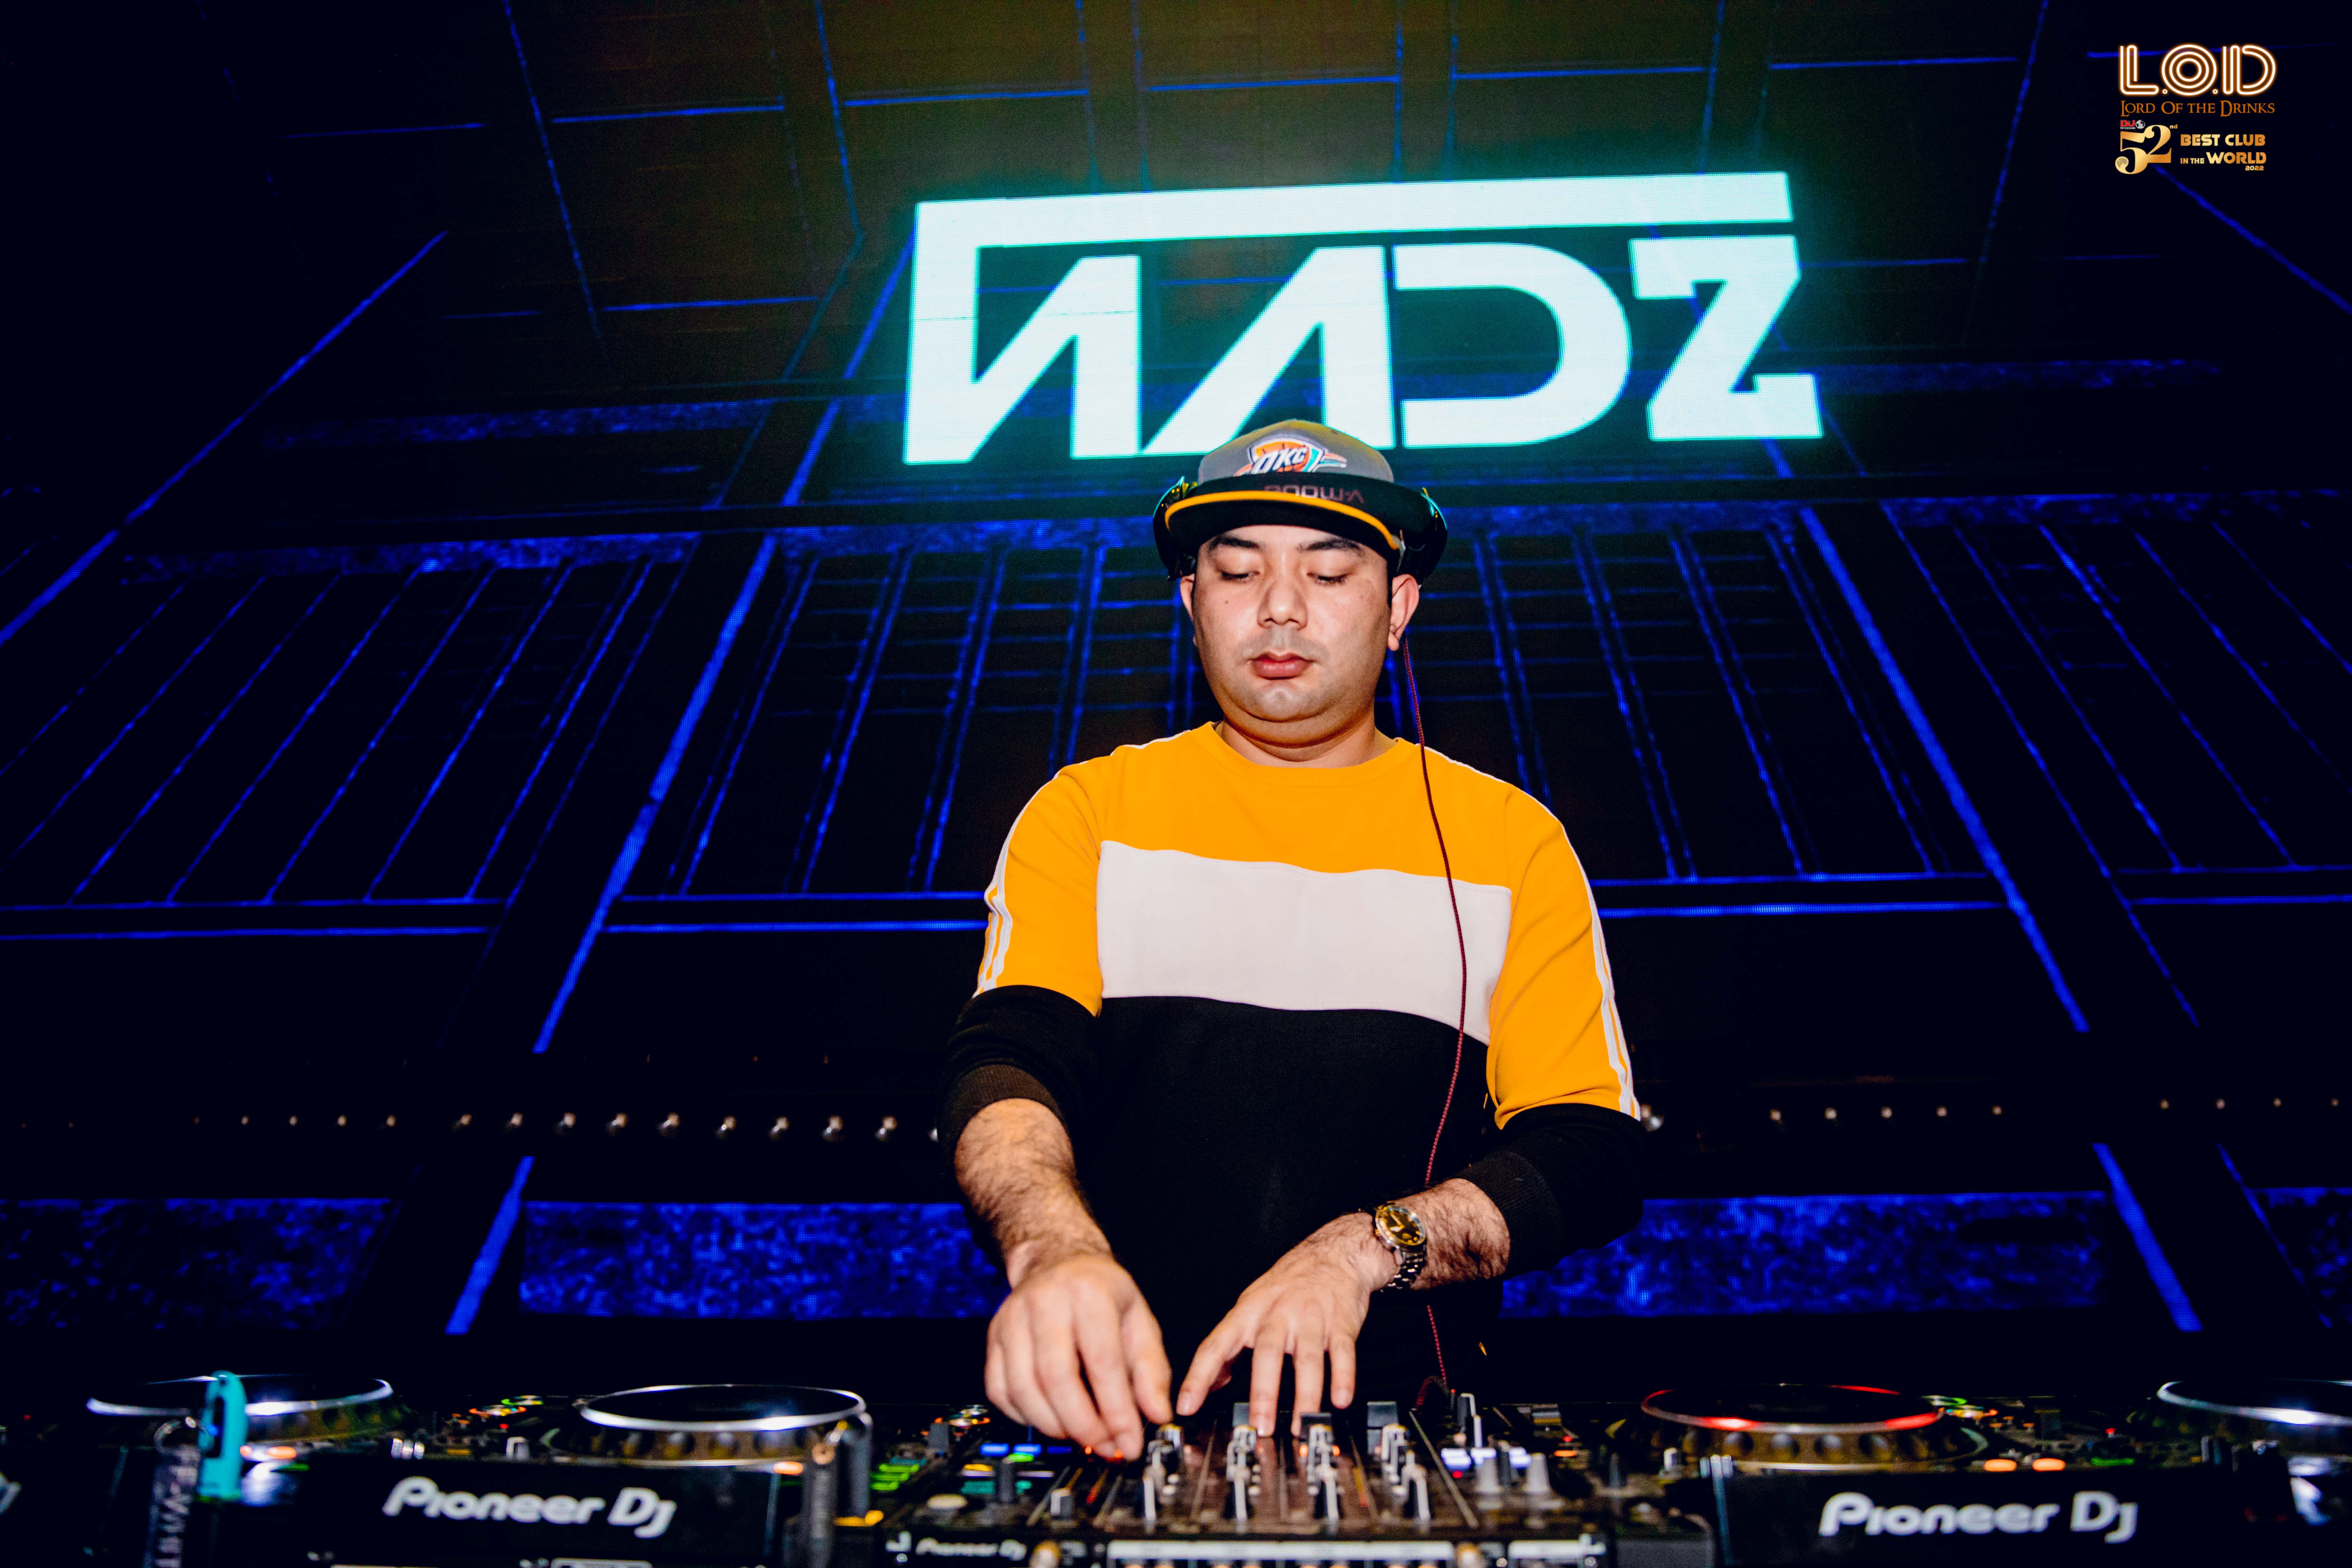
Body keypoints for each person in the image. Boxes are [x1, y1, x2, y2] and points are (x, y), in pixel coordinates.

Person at [938, 420, 1642, 1459]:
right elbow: (1007, 1069)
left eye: (1329, 571)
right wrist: (1051, 1250)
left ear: (1399, 609)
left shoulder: (1510, 842)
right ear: (1192, 601)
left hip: (1404, 1430)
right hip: (1108, 1423)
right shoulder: (1087, 812)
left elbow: (1589, 1154)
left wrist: (1364, 1250)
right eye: (1237, 571)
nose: (1279, 606)